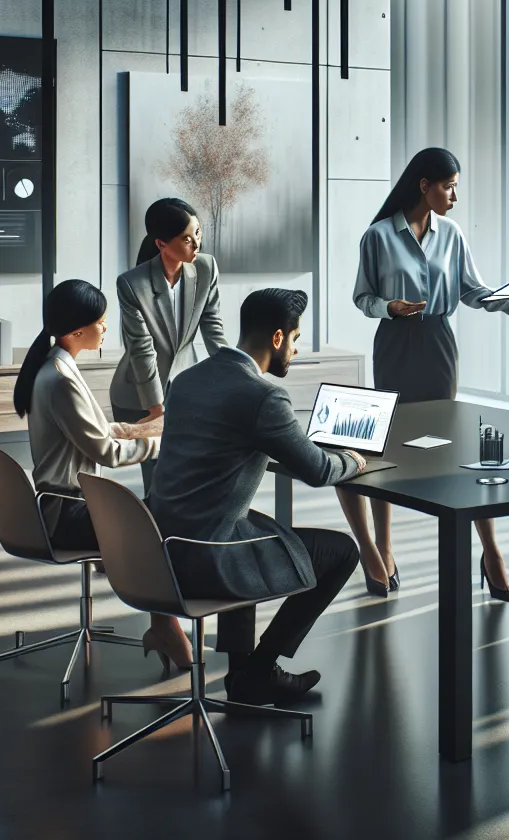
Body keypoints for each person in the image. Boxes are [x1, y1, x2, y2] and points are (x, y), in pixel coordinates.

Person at [146, 288, 364, 706]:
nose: (296, 350)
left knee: (246, 529)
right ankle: (260, 669)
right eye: (296, 339)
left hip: (158, 547)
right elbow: (318, 470)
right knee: (341, 551)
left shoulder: (187, 379)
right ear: (278, 338)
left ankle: (241, 675)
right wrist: (353, 459)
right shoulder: (263, 396)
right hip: (206, 557)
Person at [341, 147, 509, 600]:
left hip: (439, 345)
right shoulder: (378, 236)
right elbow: (362, 296)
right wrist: (388, 307)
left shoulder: (451, 234)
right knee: (386, 449)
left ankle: (491, 552)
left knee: (456, 446)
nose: (454, 196)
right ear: (424, 185)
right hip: (395, 344)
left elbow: (473, 291)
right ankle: (385, 550)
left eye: (456, 187)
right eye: (448, 186)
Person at [12, 279, 186, 667]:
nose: (106, 329)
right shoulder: (60, 380)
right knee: (158, 524)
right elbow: (105, 453)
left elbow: (99, 430)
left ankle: (164, 625)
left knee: (150, 519)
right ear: (78, 331)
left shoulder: (57, 366)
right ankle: (166, 628)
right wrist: (166, 444)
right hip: (65, 511)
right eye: (101, 322)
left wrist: (149, 428)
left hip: (65, 504)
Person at [109, 197, 225, 492]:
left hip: (186, 387)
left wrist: (236, 373)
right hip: (140, 394)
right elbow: (141, 348)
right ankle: (158, 537)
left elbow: (213, 328)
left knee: (190, 476)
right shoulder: (132, 284)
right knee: (158, 481)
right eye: (186, 239)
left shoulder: (207, 268)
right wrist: (157, 411)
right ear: (161, 243)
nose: (196, 244)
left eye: (198, 233)